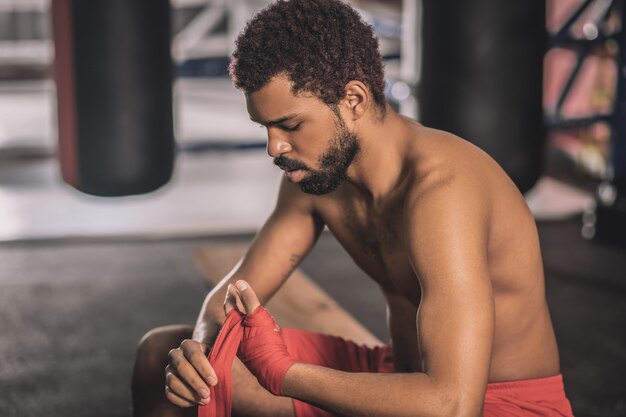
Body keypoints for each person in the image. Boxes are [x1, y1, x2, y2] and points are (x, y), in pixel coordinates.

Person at [132, 1, 574, 416]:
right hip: (399, 376)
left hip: (492, 404)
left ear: (354, 100)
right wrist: (204, 348)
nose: (274, 147)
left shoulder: (443, 192)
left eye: (290, 124)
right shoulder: (314, 176)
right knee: (163, 357)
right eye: (265, 127)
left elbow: (452, 403)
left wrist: (287, 375)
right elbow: (229, 296)